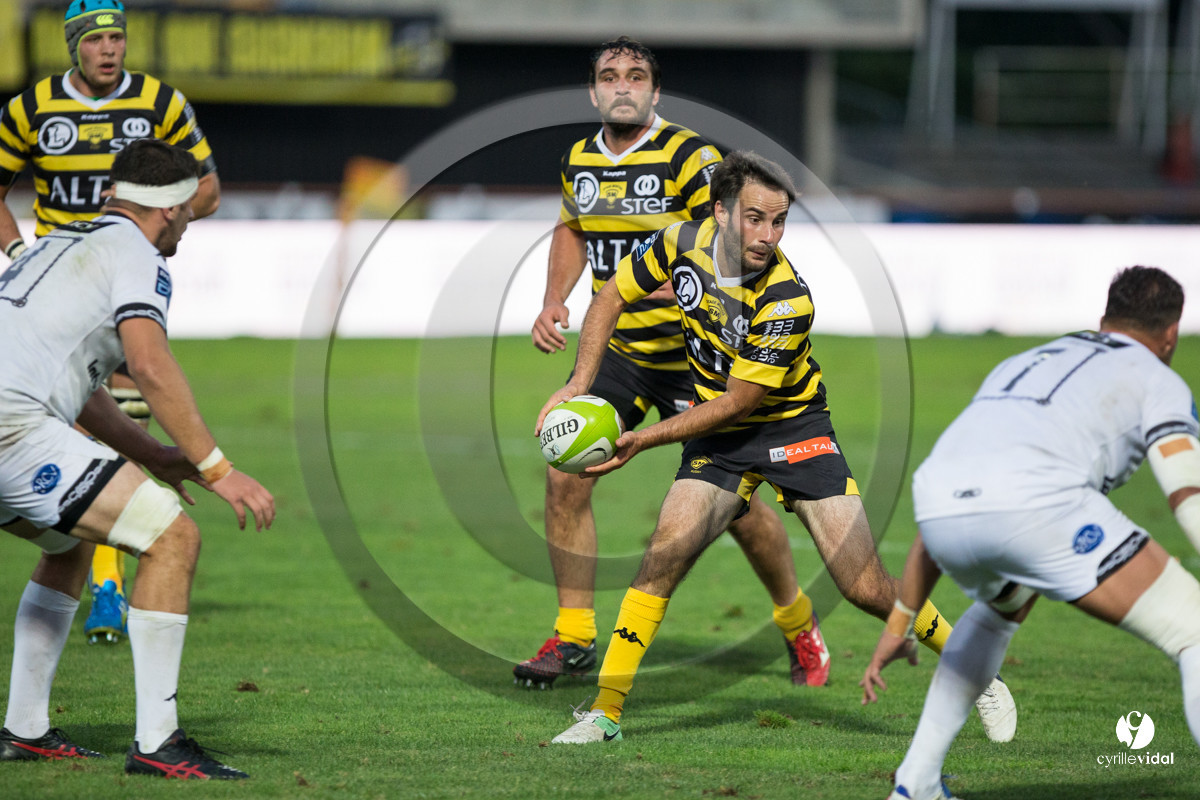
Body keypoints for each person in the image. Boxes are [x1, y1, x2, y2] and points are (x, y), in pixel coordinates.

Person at [539, 151, 1015, 744]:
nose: (768, 235)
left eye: (780, 221)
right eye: (755, 218)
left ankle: (981, 673)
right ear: (720, 212)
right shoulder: (679, 241)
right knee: (662, 556)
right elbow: (610, 295)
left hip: (794, 430)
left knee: (863, 587)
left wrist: (642, 439)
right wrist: (578, 386)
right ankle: (605, 713)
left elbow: (739, 401)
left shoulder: (788, 298)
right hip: (720, 439)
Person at [519, 35, 839, 691]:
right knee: (564, 473)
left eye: (636, 75)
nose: (623, 85)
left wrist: (664, 281)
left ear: (655, 92)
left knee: (741, 513)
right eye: (610, 76)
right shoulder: (579, 159)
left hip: (702, 362)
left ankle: (797, 623)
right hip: (626, 354)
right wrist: (555, 297)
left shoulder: (693, 157)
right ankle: (575, 635)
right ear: (593, 91)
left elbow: (724, 250)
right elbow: (571, 228)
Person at [860, 266, 1200, 800]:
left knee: (1003, 605)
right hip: (1036, 507)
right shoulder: (1159, 379)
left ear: (1103, 318)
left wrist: (897, 625)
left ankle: (916, 784)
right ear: (1171, 335)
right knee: (1195, 630)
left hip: (938, 504)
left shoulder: (1027, 359)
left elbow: (952, 497)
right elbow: (1186, 492)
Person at [0, 139, 271, 779]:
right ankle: (158, 744)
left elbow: (80, 380)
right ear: (174, 210)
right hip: (13, 428)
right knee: (170, 537)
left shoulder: (58, 243)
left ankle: (25, 728)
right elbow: (147, 364)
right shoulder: (139, 257)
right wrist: (217, 469)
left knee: (68, 545)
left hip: (14, 417)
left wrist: (153, 452)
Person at [0, 0, 221, 645]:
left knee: (115, 411)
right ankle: (107, 574)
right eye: (96, 40)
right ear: (74, 46)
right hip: (54, 292)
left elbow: (206, 187)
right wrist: (19, 252)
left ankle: (105, 581)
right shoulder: (30, 109)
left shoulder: (160, 103)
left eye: (118, 37)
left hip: (114, 289)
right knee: (74, 416)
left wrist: (154, 223)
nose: (109, 49)